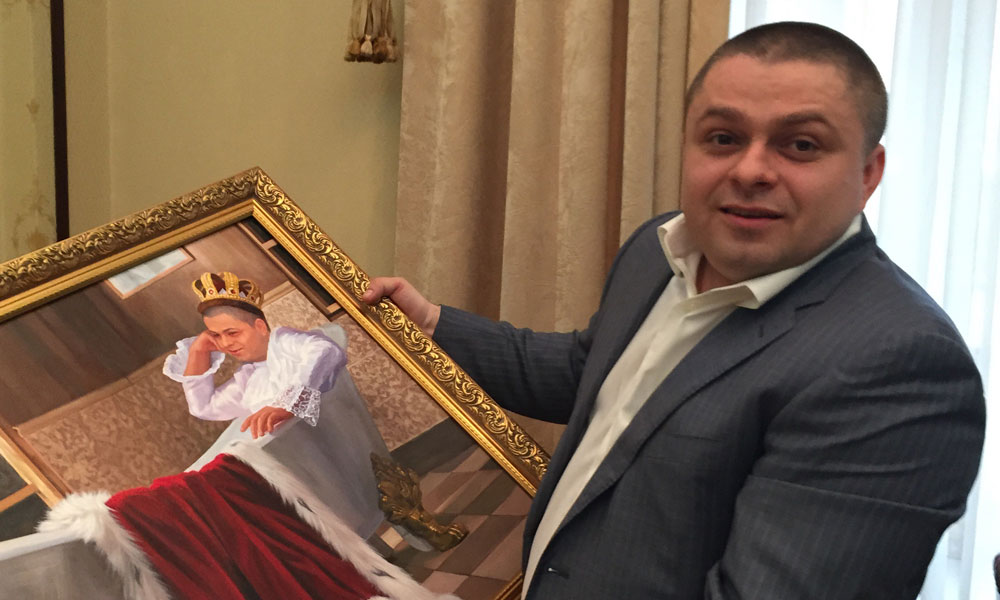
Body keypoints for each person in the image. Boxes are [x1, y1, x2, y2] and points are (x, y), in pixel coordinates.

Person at [362, 21, 986, 600]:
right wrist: (433, 326)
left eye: (800, 145)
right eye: (723, 138)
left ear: (869, 172)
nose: (751, 170)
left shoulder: (900, 365)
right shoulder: (660, 248)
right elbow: (591, 372)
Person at [164, 271, 346, 439]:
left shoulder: (284, 343)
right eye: (216, 335)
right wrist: (198, 352)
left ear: (260, 327)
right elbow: (204, 407)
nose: (225, 343)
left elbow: (326, 351)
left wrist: (288, 404)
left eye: (232, 333)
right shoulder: (248, 378)